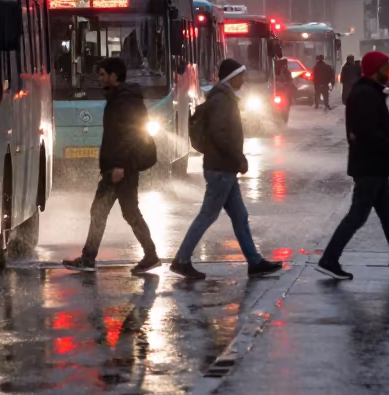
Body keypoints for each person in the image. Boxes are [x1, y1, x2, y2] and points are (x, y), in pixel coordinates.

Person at [316, 51, 389, 281]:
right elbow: (372, 133)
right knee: (358, 215)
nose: (388, 71)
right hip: (369, 166)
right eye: (385, 66)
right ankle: (329, 259)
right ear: (375, 69)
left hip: (375, 166)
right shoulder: (366, 94)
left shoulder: (369, 92)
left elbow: (377, 130)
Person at [170, 59, 283, 281]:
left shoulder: (223, 98)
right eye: (241, 76)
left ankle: (254, 261)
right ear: (232, 78)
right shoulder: (223, 100)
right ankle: (181, 260)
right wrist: (238, 158)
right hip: (221, 168)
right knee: (207, 216)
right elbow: (221, 134)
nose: (244, 80)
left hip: (224, 168)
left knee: (240, 216)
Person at [63, 57, 160, 275]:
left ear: (114, 77)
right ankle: (150, 255)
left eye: (103, 75)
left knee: (106, 211)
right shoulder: (120, 98)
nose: (100, 79)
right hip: (121, 168)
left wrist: (119, 166)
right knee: (123, 212)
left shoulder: (124, 101)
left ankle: (89, 258)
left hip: (121, 170)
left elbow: (129, 136)